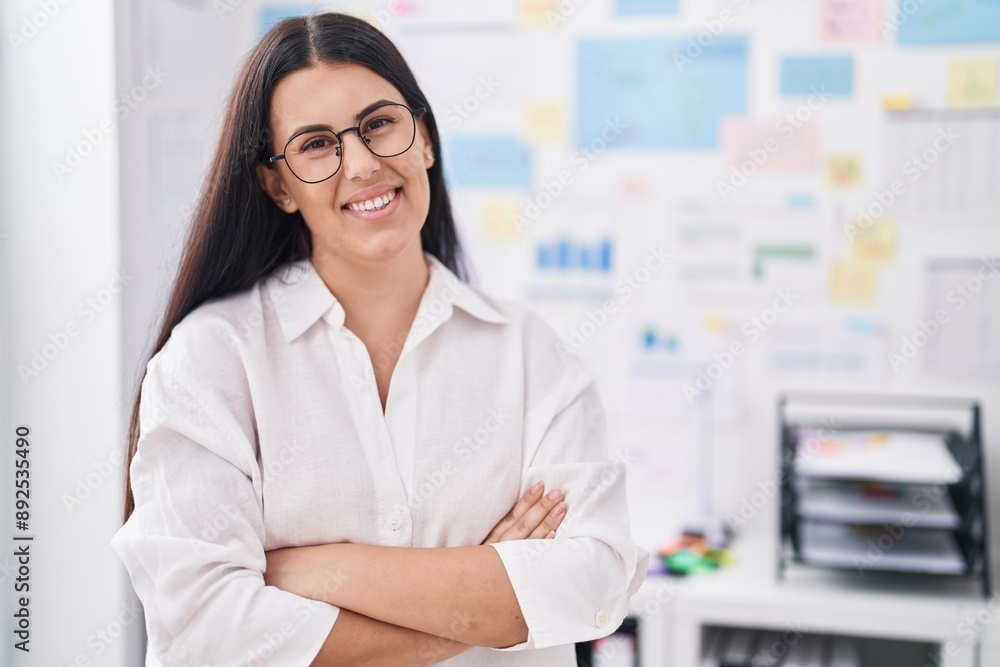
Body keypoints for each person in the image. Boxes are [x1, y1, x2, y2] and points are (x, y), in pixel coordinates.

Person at [112, 12, 647, 667]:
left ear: (423, 138)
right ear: (277, 185)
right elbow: (207, 629)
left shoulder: (530, 354)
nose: (361, 164)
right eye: (316, 144)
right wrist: (492, 604)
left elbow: (594, 580)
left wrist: (322, 569)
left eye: (378, 125)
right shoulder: (210, 363)